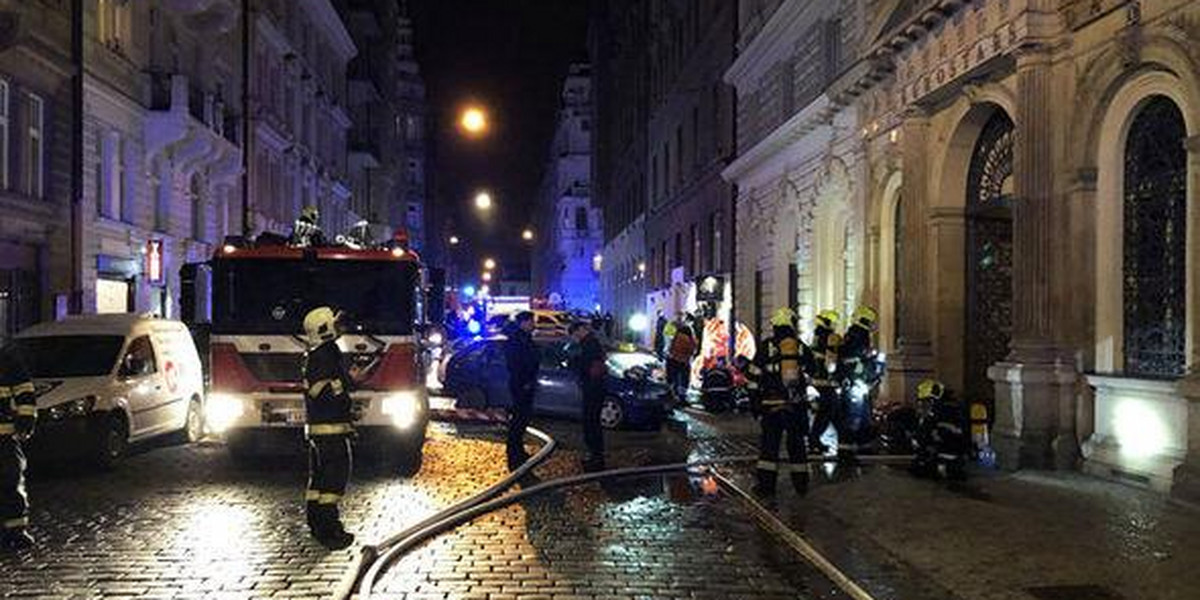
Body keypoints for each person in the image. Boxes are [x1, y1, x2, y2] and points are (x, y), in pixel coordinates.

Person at [301, 306, 359, 549]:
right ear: (325, 329)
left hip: (320, 428)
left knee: (319, 479)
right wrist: (348, 381)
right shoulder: (327, 353)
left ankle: (316, 522)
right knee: (334, 479)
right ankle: (330, 529)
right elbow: (324, 390)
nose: (339, 325)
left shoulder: (314, 354)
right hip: (330, 428)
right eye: (334, 322)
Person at [744, 308, 810, 495]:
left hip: (770, 406)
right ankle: (801, 485)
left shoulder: (766, 347)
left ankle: (766, 487)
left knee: (769, 448)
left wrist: (755, 404)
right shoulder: (799, 346)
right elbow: (814, 368)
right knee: (797, 446)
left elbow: (752, 377)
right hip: (795, 406)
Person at [834, 306, 884, 461]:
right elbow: (855, 361)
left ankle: (863, 447)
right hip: (855, 384)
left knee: (863, 417)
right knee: (853, 418)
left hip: (858, 383)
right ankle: (846, 451)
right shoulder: (858, 336)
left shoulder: (857, 335)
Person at [0, 345, 36, 550]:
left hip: (4, 436)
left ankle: (15, 530)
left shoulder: (6, 359)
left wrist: (26, 418)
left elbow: (24, 390)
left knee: (10, 480)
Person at [910, 379, 969, 480]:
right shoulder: (954, 407)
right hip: (957, 459)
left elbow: (923, 435)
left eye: (924, 401)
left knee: (918, 468)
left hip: (945, 457)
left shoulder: (936, 413)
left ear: (931, 400)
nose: (922, 405)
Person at [504, 311, 541, 471]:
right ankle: (513, 453)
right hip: (521, 383)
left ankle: (518, 451)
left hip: (525, 382)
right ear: (523, 323)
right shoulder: (517, 340)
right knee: (519, 419)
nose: (534, 324)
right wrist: (525, 381)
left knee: (523, 419)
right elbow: (516, 363)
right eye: (531, 321)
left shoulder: (524, 338)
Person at [568, 321, 607, 471]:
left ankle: (595, 458)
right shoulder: (593, 342)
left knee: (591, 422)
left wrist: (575, 362)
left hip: (593, 388)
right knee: (592, 422)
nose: (575, 337)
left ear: (580, 330)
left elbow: (587, 365)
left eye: (575, 333)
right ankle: (595, 456)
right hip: (595, 387)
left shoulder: (589, 344)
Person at [805, 310, 842, 454]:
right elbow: (831, 362)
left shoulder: (816, 335)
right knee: (827, 410)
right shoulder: (830, 337)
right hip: (826, 381)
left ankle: (844, 439)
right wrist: (835, 374)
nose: (834, 325)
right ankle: (814, 439)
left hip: (817, 379)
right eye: (833, 322)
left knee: (833, 410)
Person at [666, 323, 697, 403]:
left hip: (672, 360)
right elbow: (692, 350)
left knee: (673, 380)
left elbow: (670, 348)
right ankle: (682, 397)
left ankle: (672, 396)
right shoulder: (690, 339)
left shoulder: (676, 337)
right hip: (684, 362)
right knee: (683, 381)